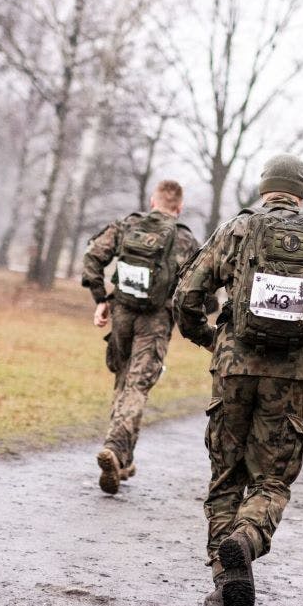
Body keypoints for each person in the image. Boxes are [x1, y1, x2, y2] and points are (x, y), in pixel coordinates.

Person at [173, 154, 303, 606]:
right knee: (272, 478)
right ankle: (247, 538)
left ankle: (223, 579)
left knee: (226, 477)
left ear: (264, 187)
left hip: (233, 369)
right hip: (291, 376)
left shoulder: (237, 228)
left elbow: (187, 295)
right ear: (301, 191)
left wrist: (211, 339)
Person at [81, 180, 199, 495]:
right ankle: (116, 447)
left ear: (153, 201)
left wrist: (101, 299)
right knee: (138, 385)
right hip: (156, 320)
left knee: (123, 380)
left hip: (121, 312)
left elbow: (93, 257)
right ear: (179, 207)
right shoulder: (185, 239)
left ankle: (123, 462)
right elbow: (201, 288)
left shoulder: (127, 225)